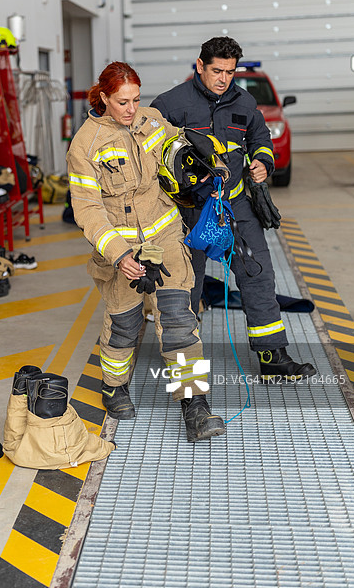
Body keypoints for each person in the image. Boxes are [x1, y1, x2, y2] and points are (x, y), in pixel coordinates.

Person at [66, 61, 227, 442]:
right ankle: (114, 386)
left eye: (136, 99)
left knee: (179, 320)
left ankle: (195, 405)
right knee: (124, 325)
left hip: (165, 235)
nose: (131, 109)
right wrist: (120, 255)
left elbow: (177, 146)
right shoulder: (85, 145)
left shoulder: (150, 120)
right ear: (103, 98)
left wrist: (207, 161)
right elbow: (87, 210)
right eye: (123, 102)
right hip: (121, 251)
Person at [151, 36, 316, 382]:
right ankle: (186, 372)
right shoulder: (168, 104)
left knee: (258, 274)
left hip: (235, 206)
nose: (223, 79)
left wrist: (262, 162)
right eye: (217, 71)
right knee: (186, 285)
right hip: (187, 212)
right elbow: (149, 156)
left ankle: (272, 356)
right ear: (200, 65)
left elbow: (260, 138)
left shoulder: (245, 102)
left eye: (229, 72)